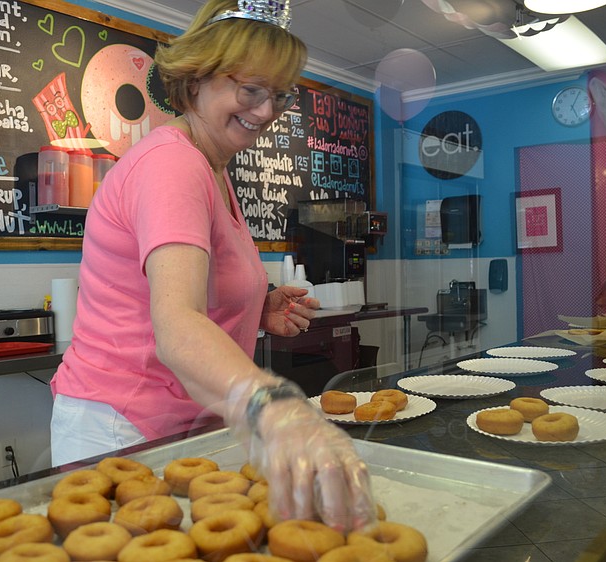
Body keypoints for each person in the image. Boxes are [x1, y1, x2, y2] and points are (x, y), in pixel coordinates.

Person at [49, 0, 375, 532]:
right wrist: (275, 405)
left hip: (180, 424)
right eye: (251, 90)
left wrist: (258, 306)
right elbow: (177, 324)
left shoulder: (213, 169)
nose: (266, 111)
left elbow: (195, 290)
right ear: (197, 79)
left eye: (279, 95)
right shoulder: (172, 165)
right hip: (122, 429)